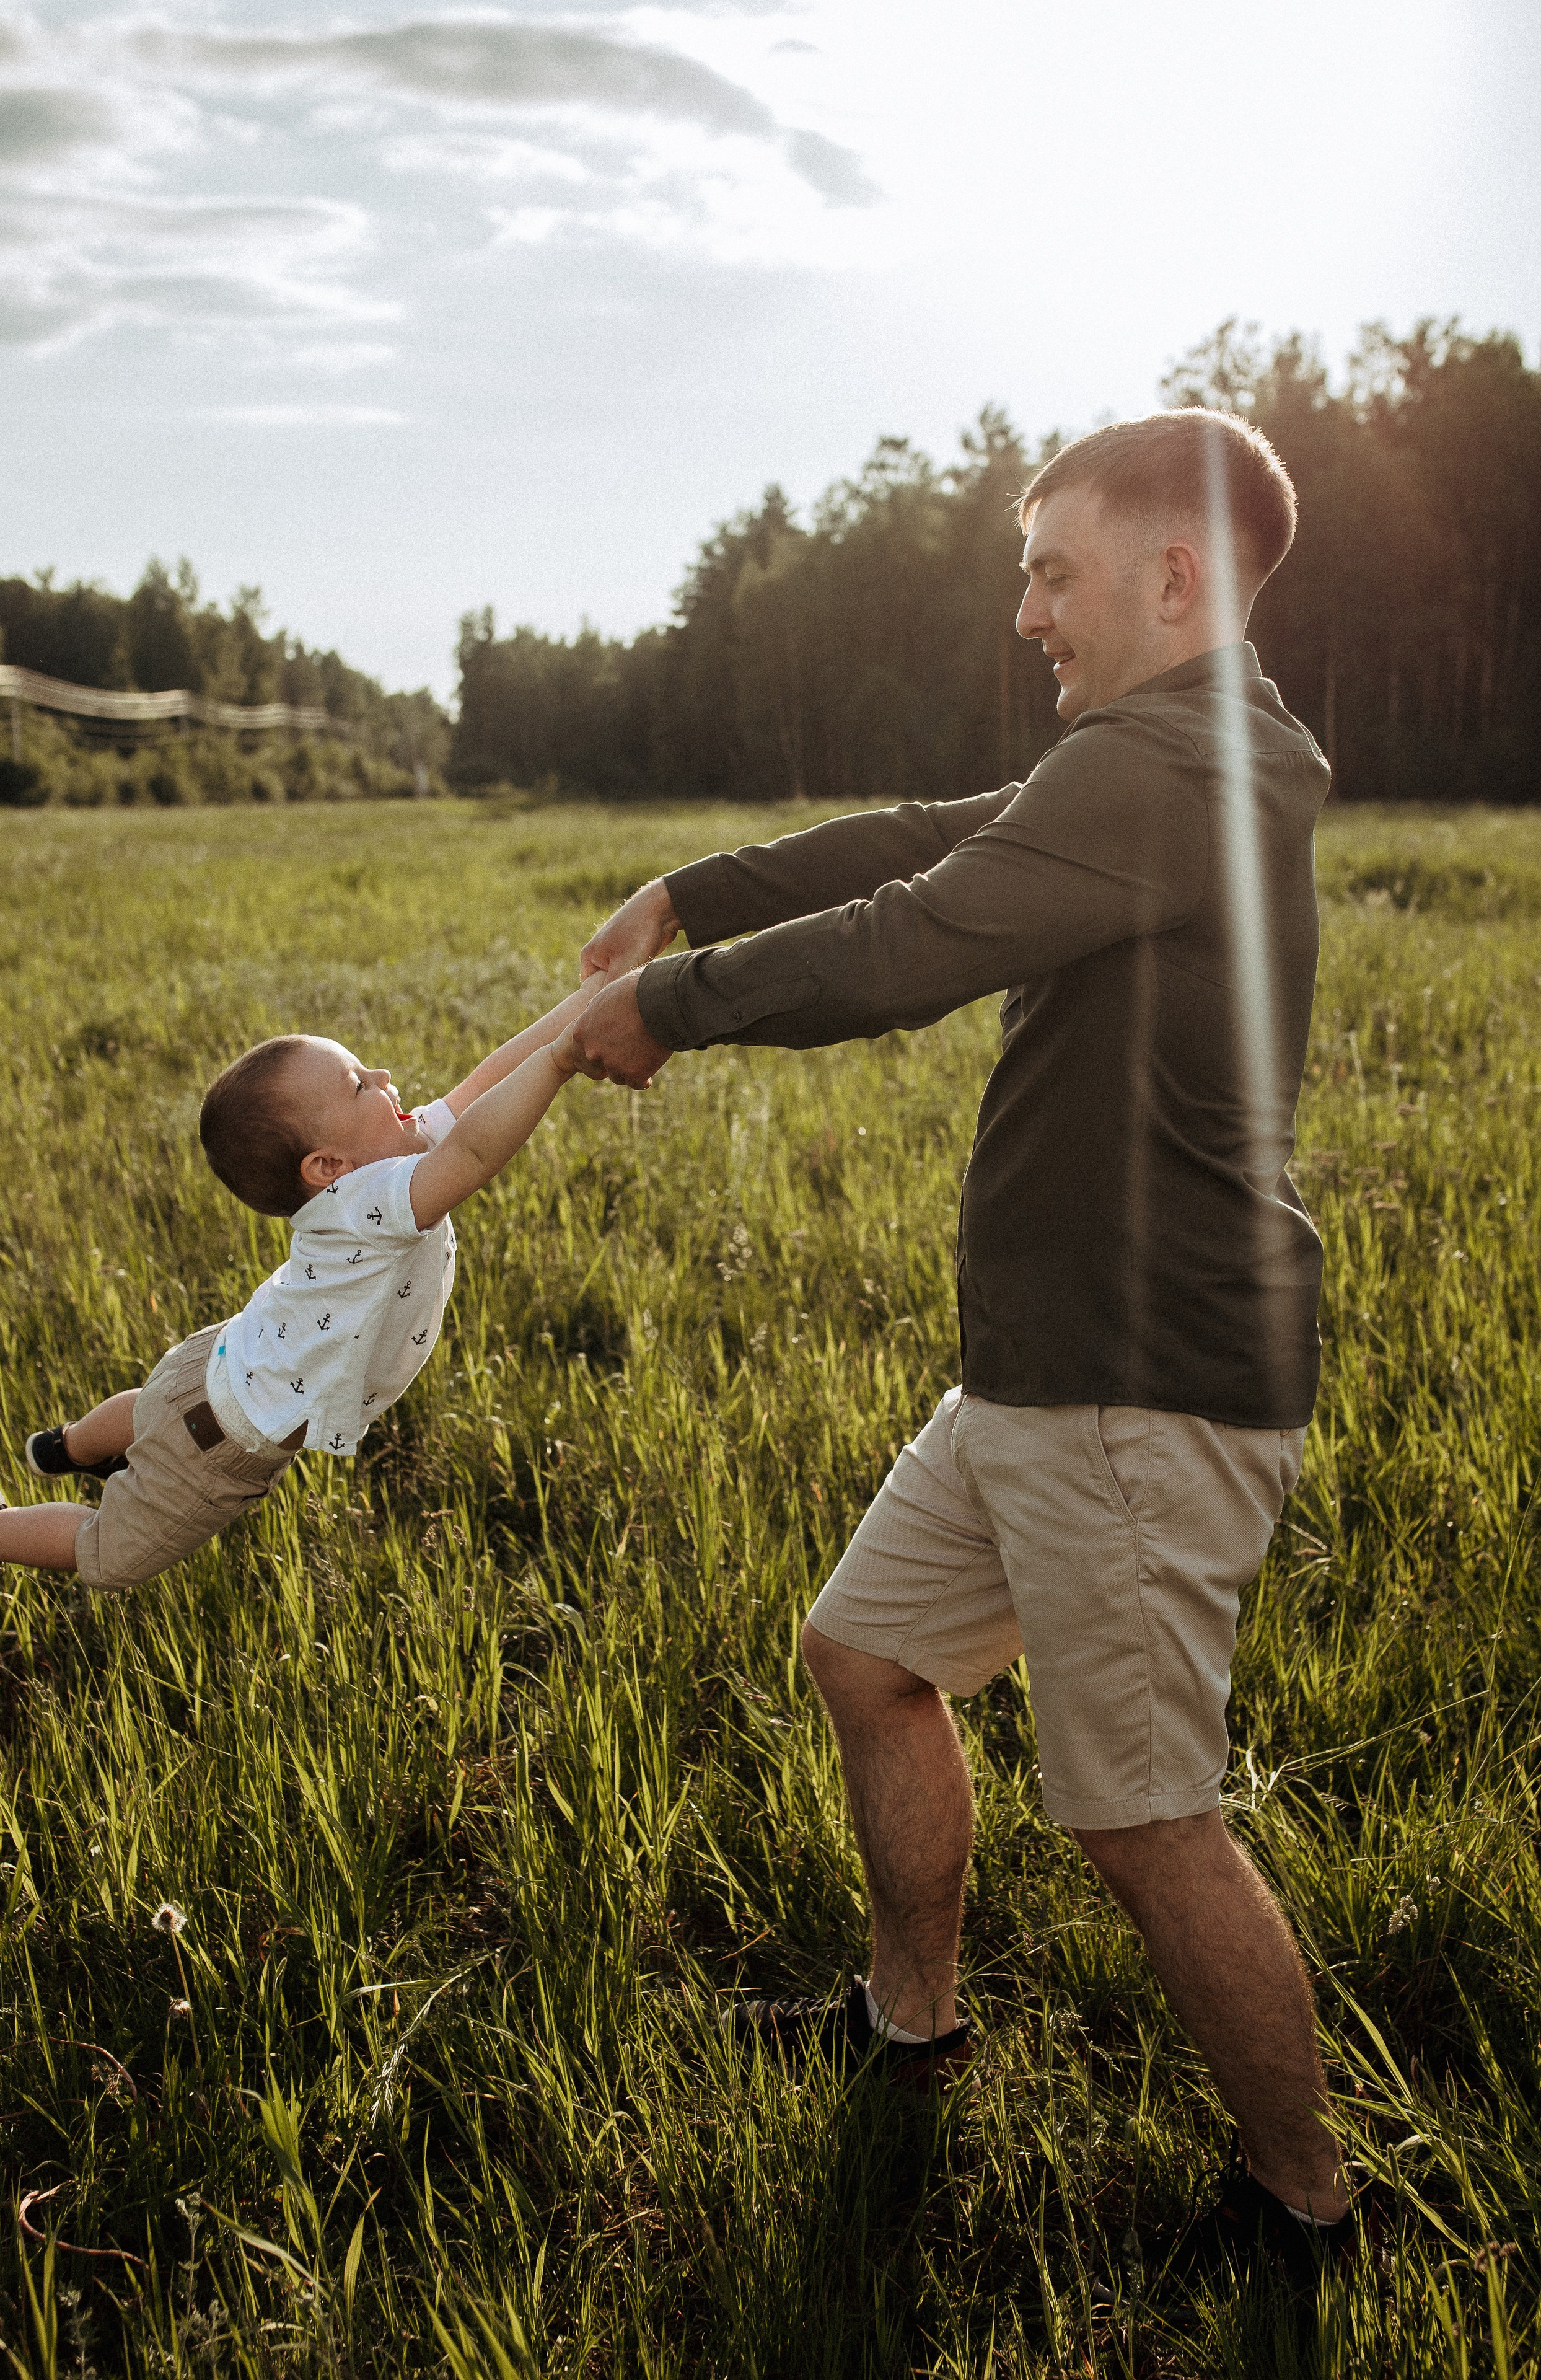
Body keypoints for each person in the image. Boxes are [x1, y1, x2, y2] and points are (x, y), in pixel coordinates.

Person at [569, 408, 1351, 2267]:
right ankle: (905, 2022)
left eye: (1053, 570)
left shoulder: (1192, 770)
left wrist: (675, 1000)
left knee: (1143, 1817)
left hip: (1132, 1383)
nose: (1026, 613)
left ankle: (1302, 2199)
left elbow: (917, 935)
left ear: (1177, 577)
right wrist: (702, 885)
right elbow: (937, 833)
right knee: (864, 1655)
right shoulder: (1148, 754)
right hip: (1042, 1369)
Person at [0, 978, 607, 1590]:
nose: (384, 1077)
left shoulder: (390, 1157)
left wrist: (584, 1002)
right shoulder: (379, 1198)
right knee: (109, 1553)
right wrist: (559, 1060)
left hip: (216, 1367)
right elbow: (475, 1150)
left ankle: (70, 1446)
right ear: (327, 1165)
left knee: (157, 1406)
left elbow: (483, 1082)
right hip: (222, 1443)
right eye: (360, 1084)